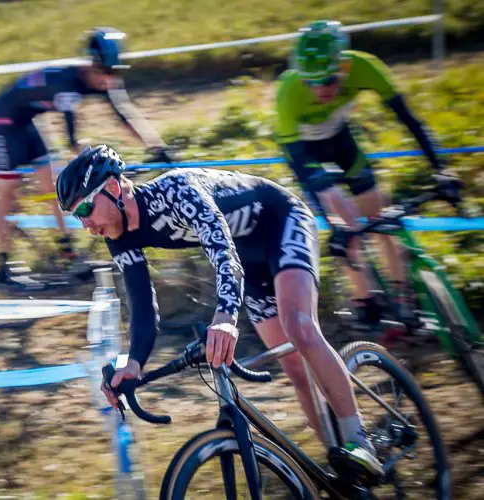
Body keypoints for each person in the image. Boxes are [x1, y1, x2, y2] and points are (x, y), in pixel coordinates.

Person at [56, 144, 384, 479]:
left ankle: (360, 443)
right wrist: (135, 362)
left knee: (299, 328)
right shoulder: (118, 234)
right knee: (295, 370)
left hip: (283, 223)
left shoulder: (177, 191)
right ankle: (340, 465)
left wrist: (226, 316)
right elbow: (141, 304)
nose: (85, 224)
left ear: (112, 188)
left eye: (85, 207)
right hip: (250, 259)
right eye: (76, 216)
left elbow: (222, 250)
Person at [275, 20, 460, 326]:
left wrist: (443, 168)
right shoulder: (289, 91)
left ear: (344, 66)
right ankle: (365, 301)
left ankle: (404, 299)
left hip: (342, 142)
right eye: (312, 82)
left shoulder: (364, 67)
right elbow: (296, 159)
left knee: (382, 219)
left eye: (329, 80)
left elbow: (410, 120)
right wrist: (335, 223)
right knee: (344, 220)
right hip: (306, 155)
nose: (321, 89)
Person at [0, 26, 172, 287]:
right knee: (8, 191)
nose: (110, 79)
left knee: (52, 188)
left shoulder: (102, 79)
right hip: (6, 119)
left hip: (29, 121)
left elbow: (125, 115)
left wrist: (157, 146)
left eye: (115, 73)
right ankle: (2, 263)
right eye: (106, 73)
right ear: (92, 66)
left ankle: (67, 254)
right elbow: (73, 140)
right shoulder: (67, 84)